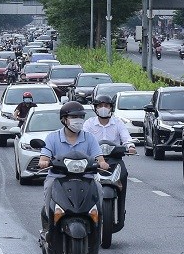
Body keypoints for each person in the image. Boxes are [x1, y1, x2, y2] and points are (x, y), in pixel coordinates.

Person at [37, 102, 108, 231]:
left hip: (86, 178)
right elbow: (44, 157)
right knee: (48, 187)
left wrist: (102, 163)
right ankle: (49, 222)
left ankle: (97, 223)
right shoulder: (52, 138)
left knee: (98, 188)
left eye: (81, 117)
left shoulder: (89, 138)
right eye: (74, 117)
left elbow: (99, 157)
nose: (78, 120)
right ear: (64, 119)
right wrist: (44, 161)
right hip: (58, 178)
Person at [83, 95, 136, 227]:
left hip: (114, 160)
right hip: (93, 161)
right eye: (100, 106)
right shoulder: (89, 123)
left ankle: (120, 208)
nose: (103, 108)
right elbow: (83, 139)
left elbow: (126, 138)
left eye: (106, 106)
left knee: (123, 174)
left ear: (111, 108)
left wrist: (130, 146)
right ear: (95, 108)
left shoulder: (118, 123)